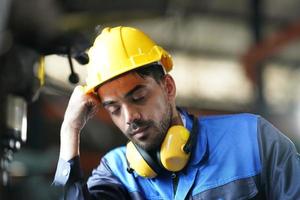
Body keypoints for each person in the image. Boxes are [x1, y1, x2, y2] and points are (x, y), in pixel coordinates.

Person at [53, 26, 300, 199]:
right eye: (114, 108)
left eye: (138, 97)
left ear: (168, 87)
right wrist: (69, 130)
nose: (129, 117)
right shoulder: (115, 173)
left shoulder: (252, 139)